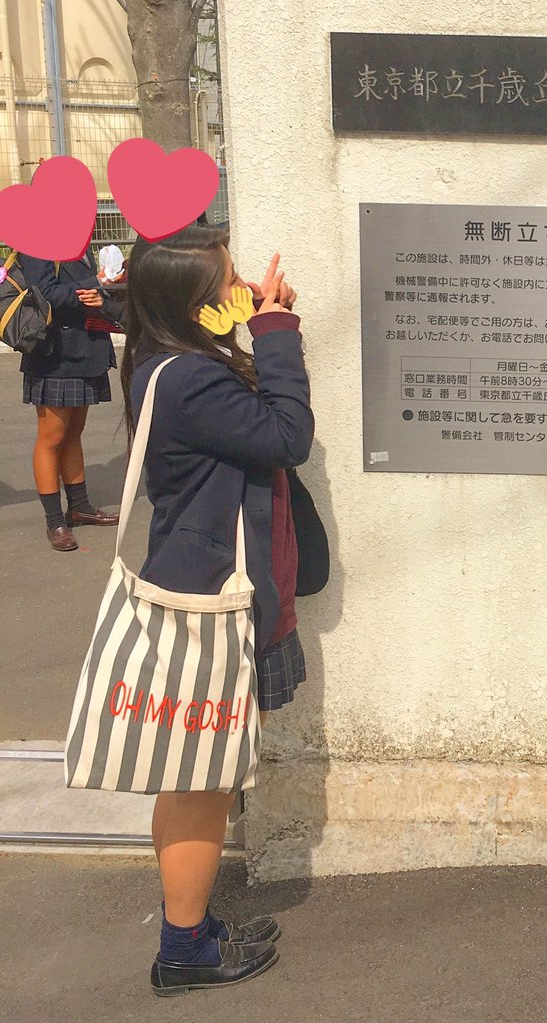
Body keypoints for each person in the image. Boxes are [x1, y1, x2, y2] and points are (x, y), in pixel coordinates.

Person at [120, 223, 313, 995]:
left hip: (205, 591)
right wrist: (275, 331)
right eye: (229, 282)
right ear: (193, 301)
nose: (242, 289)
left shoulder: (169, 364)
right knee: (203, 784)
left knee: (189, 778)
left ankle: (193, 925)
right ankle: (183, 952)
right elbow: (287, 436)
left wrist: (256, 324)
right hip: (215, 607)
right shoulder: (192, 380)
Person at [19, 249, 124, 551]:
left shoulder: (78, 244)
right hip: (55, 353)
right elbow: (45, 292)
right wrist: (96, 281)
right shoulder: (36, 243)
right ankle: (55, 521)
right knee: (51, 438)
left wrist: (109, 282)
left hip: (84, 347)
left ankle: (79, 506)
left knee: (73, 432)